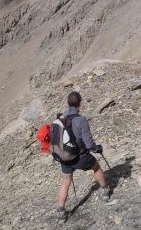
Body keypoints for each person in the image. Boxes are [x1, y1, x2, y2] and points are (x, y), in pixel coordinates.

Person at [56, 91, 109, 222]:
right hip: (80, 157)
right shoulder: (81, 120)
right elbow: (88, 142)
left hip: (64, 157)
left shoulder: (60, 118)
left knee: (65, 182)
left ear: (68, 103)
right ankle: (104, 191)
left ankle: (61, 212)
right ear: (80, 103)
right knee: (96, 167)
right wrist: (97, 149)